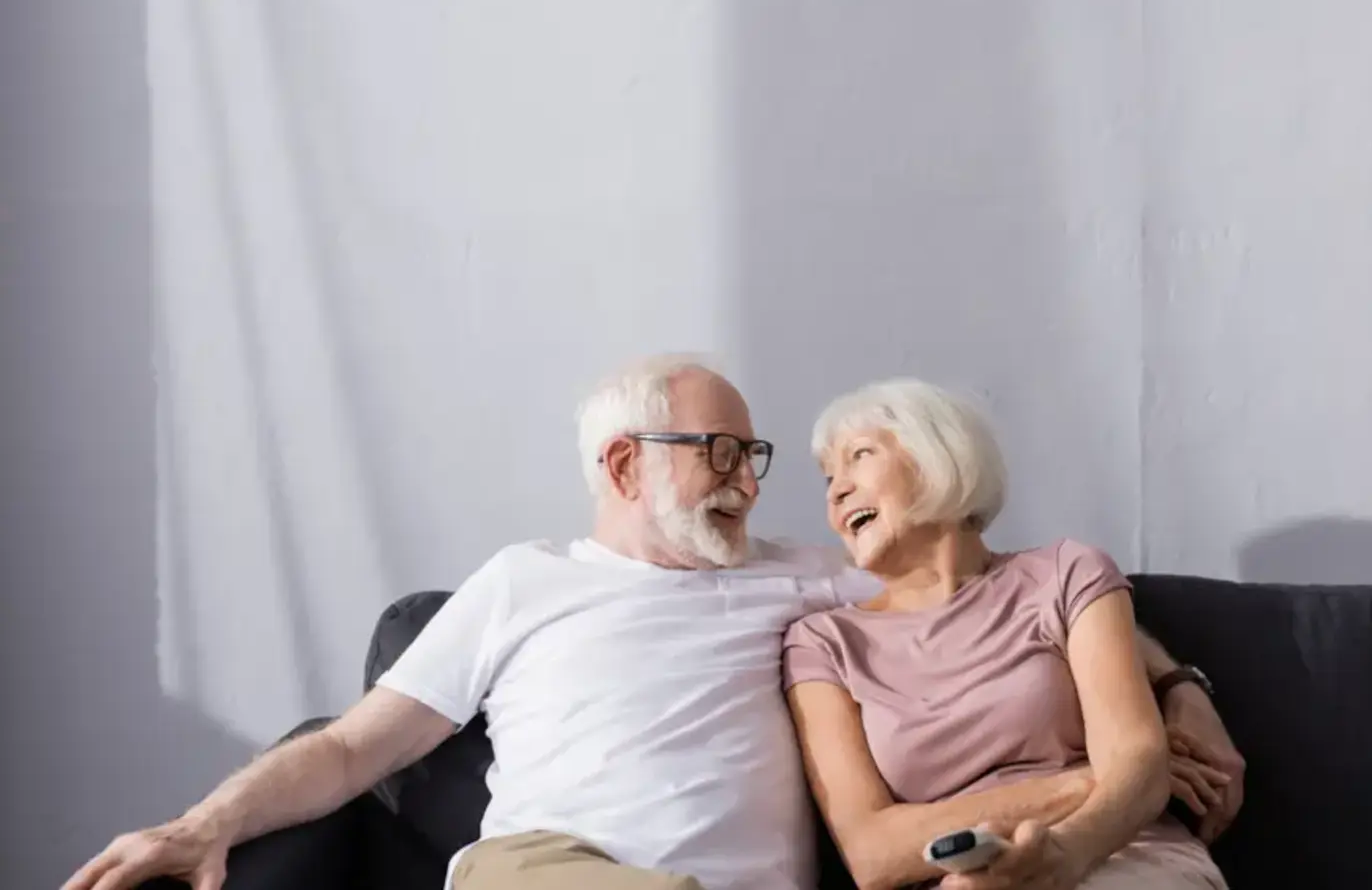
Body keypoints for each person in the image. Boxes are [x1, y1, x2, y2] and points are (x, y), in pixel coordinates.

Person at [64, 357, 1241, 890]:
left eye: (754, 455)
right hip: (548, 876)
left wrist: (1177, 681)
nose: (753, 479)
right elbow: (349, 747)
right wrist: (198, 824)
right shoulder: (521, 584)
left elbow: (984, 591)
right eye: (721, 453)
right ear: (626, 461)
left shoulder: (806, 586)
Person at [784, 379, 1237, 890]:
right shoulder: (823, 643)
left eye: (859, 456)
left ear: (938, 454)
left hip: (1120, 855)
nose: (836, 490)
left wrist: (1068, 852)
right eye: (828, 478)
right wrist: (1083, 783)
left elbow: (1133, 760)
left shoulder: (1066, 573)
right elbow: (873, 855)